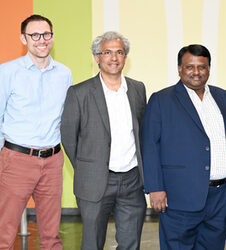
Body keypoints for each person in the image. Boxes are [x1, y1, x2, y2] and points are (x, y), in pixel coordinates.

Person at [142, 44, 226, 250]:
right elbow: (150, 146)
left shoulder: (225, 98)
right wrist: (155, 188)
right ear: (179, 69)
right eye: (190, 67)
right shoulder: (161, 100)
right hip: (179, 197)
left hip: (220, 197)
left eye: (202, 67)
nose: (196, 72)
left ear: (209, 69)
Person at [60, 31, 146, 250]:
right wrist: (88, 168)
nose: (114, 57)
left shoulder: (137, 89)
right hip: (95, 182)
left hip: (132, 181)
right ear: (97, 57)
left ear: (126, 57)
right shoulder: (79, 93)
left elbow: (141, 132)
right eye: (107, 52)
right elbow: (69, 138)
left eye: (119, 52)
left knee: (130, 243)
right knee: (92, 243)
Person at [0, 14, 72, 249]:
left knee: (51, 237)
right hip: (16, 160)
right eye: (35, 35)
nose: (42, 40)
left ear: (52, 36)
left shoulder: (64, 74)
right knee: (4, 233)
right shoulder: (7, 72)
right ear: (23, 38)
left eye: (47, 34)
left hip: (53, 161)